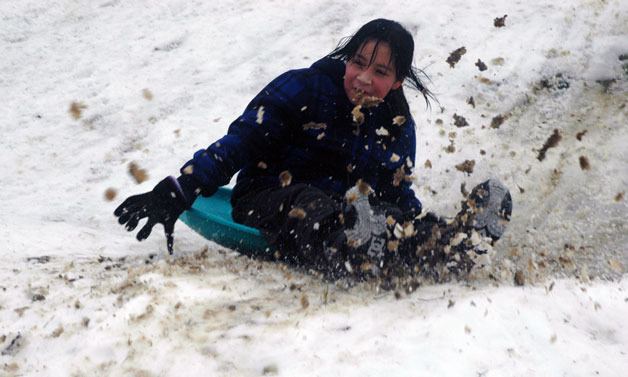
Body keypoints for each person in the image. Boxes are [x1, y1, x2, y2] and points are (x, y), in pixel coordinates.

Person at [114, 19, 512, 281]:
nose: (363, 79)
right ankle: (355, 251)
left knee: (389, 215)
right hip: (268, 199)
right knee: (310, 200)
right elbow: (241, 142)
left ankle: (456, 243)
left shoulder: (396, 123)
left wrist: (409, 223)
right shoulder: (303, 88)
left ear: (397, 81)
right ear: (347, 60)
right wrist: (180, 189)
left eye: (380, 72)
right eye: (359, 63)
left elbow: (396, 188)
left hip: (355, 215)